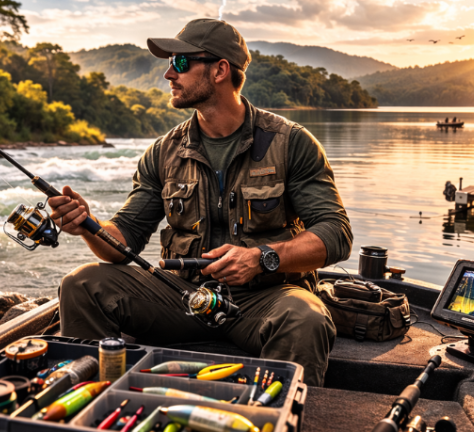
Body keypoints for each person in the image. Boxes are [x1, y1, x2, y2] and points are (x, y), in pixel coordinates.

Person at [48, 19, 353, 386]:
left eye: (179, 63)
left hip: (267, 299)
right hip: (181, 296)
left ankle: (276, 414)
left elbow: (336, 233)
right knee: (81, 284)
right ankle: (88, 396)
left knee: (307, 317)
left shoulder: (292, 143)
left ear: (220, 70)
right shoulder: (163, 151)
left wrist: (261, 259)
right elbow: (122, 241)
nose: (167, 74)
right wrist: (88, 225)